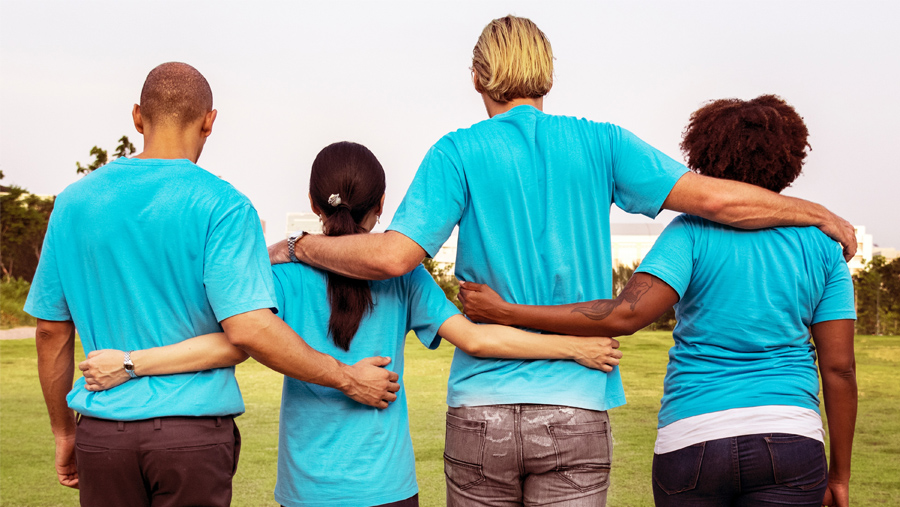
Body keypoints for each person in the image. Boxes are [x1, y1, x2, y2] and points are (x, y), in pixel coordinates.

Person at [268, 16, 858, 507]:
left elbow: (394, 256)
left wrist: (300, 246)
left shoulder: (457, 151)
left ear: (478, 76)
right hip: (577, 403)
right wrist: (816, 213)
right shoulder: (602, 143)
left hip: (480, 410)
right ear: (548, 72)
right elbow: (716, 198)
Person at [79, 140, 623, 507]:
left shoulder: (280, 277)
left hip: (306, 491)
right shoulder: (404, 279)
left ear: (313, 203)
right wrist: (571, 349)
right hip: (387, 487)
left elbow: (230, 343)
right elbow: (478, 339)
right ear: (383, 205)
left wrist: (132, 363)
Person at [24, 62, 399, 507]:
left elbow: (51, 331)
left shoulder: (72, 203)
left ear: (137, 117)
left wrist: (64, 431)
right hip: (193, 435)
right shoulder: (224, 206)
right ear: (209, 121)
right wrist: (347, 379)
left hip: (103, 433)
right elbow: (248, 331)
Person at [458, 95, 857, 506]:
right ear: (791, 159)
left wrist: (508, 312)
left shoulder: (689, 233)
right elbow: (839, 369)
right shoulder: (823, 247)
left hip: (693, 440)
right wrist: (840, 475)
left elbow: (625, 314)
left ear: (706, 156)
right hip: (791, 437)